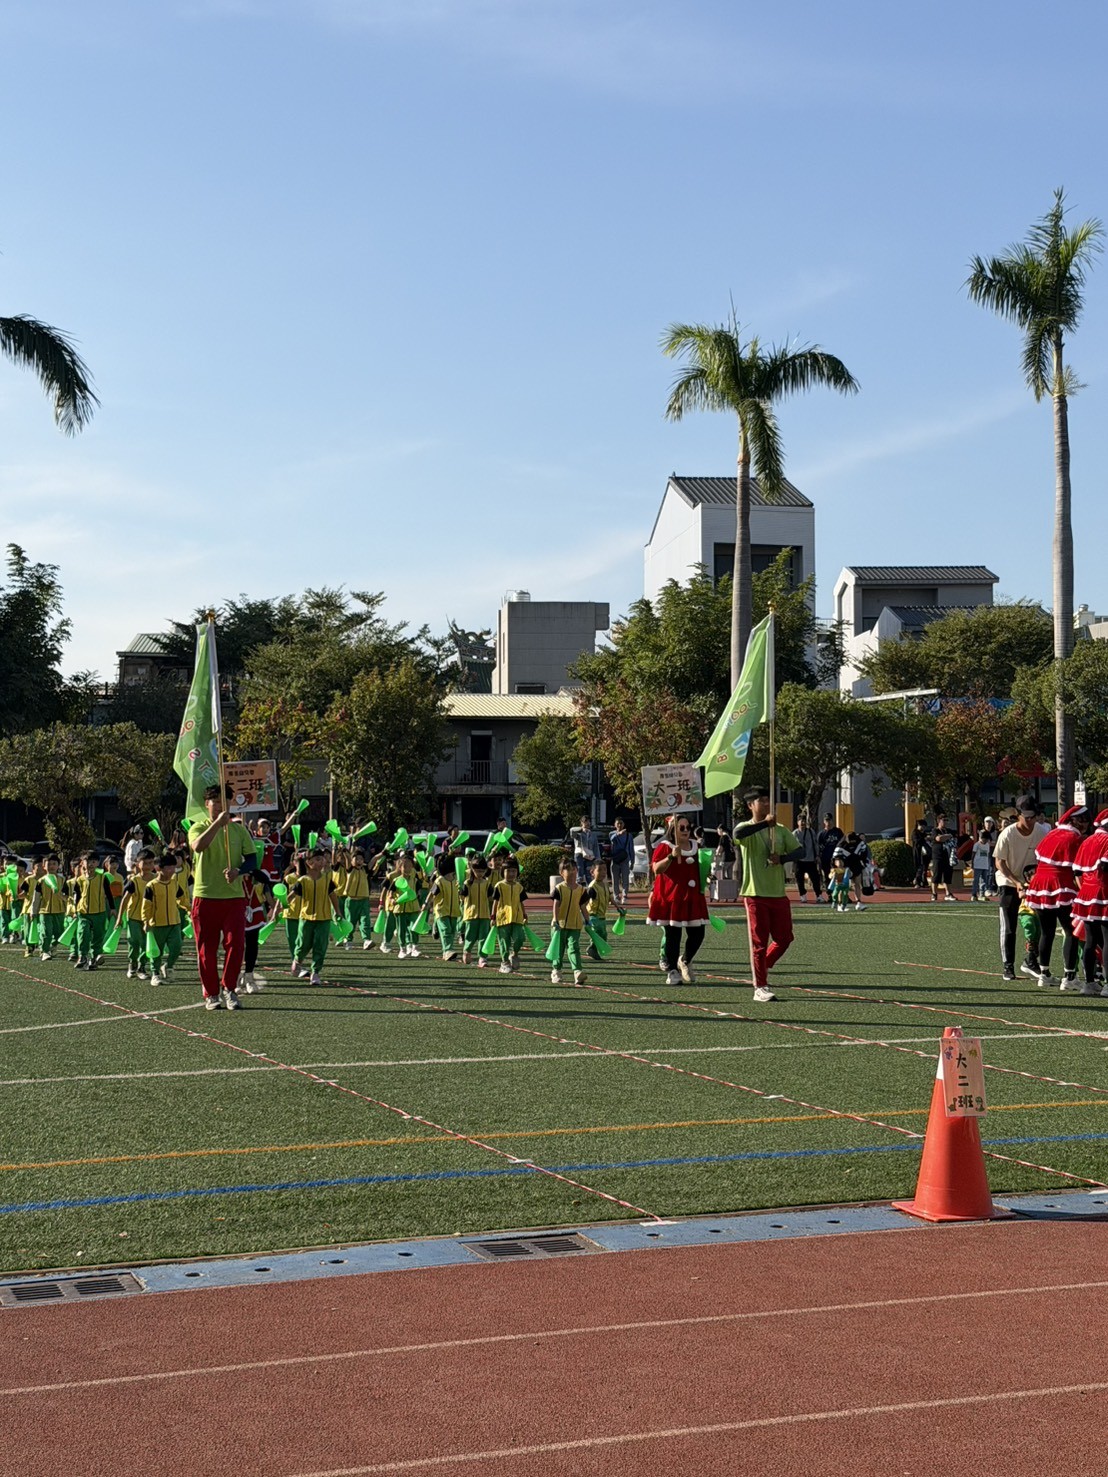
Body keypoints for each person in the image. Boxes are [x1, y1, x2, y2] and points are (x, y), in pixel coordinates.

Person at [188, 782, 258, 1011]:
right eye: (216, 801)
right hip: (205, 896)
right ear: (206, 804)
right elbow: (198, 846)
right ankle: (211, 993)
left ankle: (229, 988)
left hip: (233, 897)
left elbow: (252, 859)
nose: (220, 806)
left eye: (225, 802)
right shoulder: (198, 827)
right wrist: (217, 824)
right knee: (206, 949)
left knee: (236, 944)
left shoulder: (239, 830)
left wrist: (239, 870)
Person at [733, 788, 804, 1002]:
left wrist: (782, 859)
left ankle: (763, 965)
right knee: (759, 942)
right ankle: (760, 987)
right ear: (750, 805)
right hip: (755, 894)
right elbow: (737, 836)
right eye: (761, 801)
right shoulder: (745, 828)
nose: (766, 804)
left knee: (785, 938)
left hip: (777, 893)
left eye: (767, 800)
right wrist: (765, 824)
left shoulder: (780, 830)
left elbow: (800, 851)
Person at [1025, 803, 1089, 988]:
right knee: (1071, 931)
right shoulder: (1074, 838)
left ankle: (1044, 974)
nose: (1085, 824)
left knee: (1047, 932)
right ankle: (1069, 977)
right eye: (1083, 820)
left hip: (1039, 885)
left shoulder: (1052, 834)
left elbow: (1039, 857)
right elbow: (1079, 868)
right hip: (1061, 885)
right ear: (1074, 821)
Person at [993, 795, 1050, 982]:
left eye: (1034, 816)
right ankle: (1008, 965)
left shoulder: (1042, 832)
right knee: (1009, 927)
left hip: (1032, 884)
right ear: (1018, 815)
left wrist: (1034, 881)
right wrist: (1016, 882)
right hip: (1008, 882)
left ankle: (1031, 959)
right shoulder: (1007, 834)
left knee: (1038, 923)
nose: (1031, 821)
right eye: (1027, 817)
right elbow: (999, 862)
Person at [647, 814, 709, 986]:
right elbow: (656, 869)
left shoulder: (696, 846)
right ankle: (672, 970)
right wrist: (671, 857)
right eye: (681, 827)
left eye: (688, 827)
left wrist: (707, 873)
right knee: (673, 935)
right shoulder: (665, 847)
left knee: (698, 933)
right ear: (673, 829)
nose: (686, 830)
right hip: (671, 897)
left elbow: (701, 866)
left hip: (692, 896)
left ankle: (686, 960)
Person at [290, 848, 341, 983]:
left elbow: (333, 896)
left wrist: (338, 912)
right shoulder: (302, 880)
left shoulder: (327, 880)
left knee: (320, 946)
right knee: (303, 944)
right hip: (306, 918)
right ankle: (298, 959)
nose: (321, 862)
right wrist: (280, 906)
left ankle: (315, 972)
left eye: (322, 859)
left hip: (324, 918)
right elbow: (290, 897)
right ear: (309, 862)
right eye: (318, 859)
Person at [1072, 808, 1108, 996]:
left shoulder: (1087, 841)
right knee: (1107, 939)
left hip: (1086, 893)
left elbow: (1077, 871)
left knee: (1090, 940)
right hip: (1104, 891)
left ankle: (1089, 983)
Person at [142, 852, 190, 983]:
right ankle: (155, 973)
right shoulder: (151, 886)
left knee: (177, 947)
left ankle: (168, 966)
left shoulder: (174, 883)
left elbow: (181, 899)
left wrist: (190, 909)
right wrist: (146, 921)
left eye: (173, 867)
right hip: (157, 924)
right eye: (169, 867)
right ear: (159, 868)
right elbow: (146, 906)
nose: (172, 870)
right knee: (156, 951)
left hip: (174, 922)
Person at [550, 854, 590, 985]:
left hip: (575, 924)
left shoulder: (581, 890)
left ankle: (577, 972)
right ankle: (556, 970)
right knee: (559, 949)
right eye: (568, 869)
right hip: (559, 926)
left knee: (574, 948)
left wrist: (587, 920)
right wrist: (555, 920)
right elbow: (556, 905)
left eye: (574, 869)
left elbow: (582, 906)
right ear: (561, 873)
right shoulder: (559, 888)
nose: (572, 872)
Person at [116, 848, 157, 979]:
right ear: (138, 864)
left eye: (151, 863)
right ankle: (132, 962)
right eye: (145, 863)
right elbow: (125, 899)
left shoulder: (156, 880)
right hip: (134, 916)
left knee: (146, 943)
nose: (148, 866)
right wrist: (119, 918)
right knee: (134, 941)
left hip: (149, 918)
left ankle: (141, 966)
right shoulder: (134, 881)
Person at [490, 855, 528, 974]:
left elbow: (521, 902)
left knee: (520, 938)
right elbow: (495, 902)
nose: (511, 874)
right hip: (502, 918)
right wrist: (493, 916)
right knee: (504, 942)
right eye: (508, 871)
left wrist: (524, 914)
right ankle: (504, 962)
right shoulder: (499, 886)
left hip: (517, 917)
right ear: (503, 872)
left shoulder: (519, 887)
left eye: (514, 871)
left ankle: (515, 954)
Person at [927, 813, 959, 903]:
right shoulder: (935, 830)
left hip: (948, 856)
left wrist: (947, 836)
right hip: (938, 856)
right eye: (944, 820)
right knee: (936, 876)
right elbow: (938, 838)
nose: (945, 822)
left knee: (948, 876)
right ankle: (934, 893)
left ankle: (948, 893)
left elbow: (955, 837)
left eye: (946, 820)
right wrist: (948, 836)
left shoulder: (948, 831)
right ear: (939, 821)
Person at [792, 815, 822, 903]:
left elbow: (815, 844)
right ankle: (803, 895)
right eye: (801, 821)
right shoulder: (794, 834)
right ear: (797, 822)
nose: (803, 823)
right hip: (799, 861)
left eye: (804, 821)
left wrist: (817, 855)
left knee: (815, 878)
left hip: (810, 859)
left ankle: (818, 895)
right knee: (799, 879)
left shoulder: (811, 832)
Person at [817, 814, 844, 901]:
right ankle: (830, 895)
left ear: (832, 821)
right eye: (826, 820)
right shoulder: (821, 834)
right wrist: (818, 858)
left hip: (837, 859)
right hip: (826, 859)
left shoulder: (838, 831)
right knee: (828, 877)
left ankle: (841, 895)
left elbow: (843, 842)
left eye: (829, 820)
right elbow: (818, 847)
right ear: (824, 822)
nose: (828, 822)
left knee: (839, 876)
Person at [609, 817, 633, 906]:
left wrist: (632, 861)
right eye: (618, 823)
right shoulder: (612, 834)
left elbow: (631, 849)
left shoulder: (629, 835)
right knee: (615, 879)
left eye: (621, 823)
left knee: (625, 879)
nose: (619, 825)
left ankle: (625, 896)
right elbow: (612, 839)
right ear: (615, 825)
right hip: (615, 859)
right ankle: (616, 897)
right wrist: (618, 834)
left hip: (625, 859)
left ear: (624, 824)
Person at [570, 814, 599, 882]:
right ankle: (578, 886)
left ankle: (589, 888)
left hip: (589, 855)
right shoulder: (578, 833)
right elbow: (571, 831)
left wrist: (598, 859)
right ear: (582, 822)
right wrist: (581, 828)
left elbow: (596, 847)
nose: (588, 823)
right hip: (579, 854)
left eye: (589, 821)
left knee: (589, 874)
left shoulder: (593, 835)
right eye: (585, 821)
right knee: (580, 872)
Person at [971, 830, 992, 901]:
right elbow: (973, 854)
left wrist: (988, 864)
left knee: (984, 880)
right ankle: (974, 894)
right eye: (984, 839)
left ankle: (982, 894)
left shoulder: (987, 845)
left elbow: (988, 855)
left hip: (985, 865)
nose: (985, 841)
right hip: (977, 865)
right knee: (976, 880)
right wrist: (972, 863)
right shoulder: (977, 845)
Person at [910, 818, 930, 889]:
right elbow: (917, 841)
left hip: (925, 853)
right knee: (920, 868)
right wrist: (924, 839)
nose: (923, 827)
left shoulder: (924, 833)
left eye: (924, 826)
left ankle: (924, 882)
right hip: (918, 853)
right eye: (921, 825)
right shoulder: (915, 833)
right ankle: (918, 882)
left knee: (925, 868)